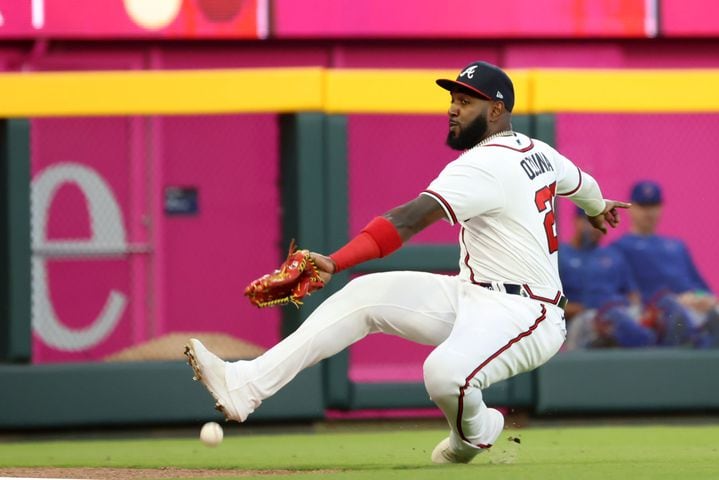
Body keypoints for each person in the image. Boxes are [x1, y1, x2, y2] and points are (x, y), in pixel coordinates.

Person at [185, 61, 629, 464]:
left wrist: (335, 262)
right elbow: (582, 183)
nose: (453, 110)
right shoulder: (538, 151)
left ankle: (471, 436)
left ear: (496, 110)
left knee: (444, 374)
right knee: (364, 297)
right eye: (452, 100)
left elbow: (408, 219)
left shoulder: (484, 166)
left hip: (528, 313)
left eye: (465, 101)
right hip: (472, 293)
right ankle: (245, 385)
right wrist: (597, 206)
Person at [612, 180, 719, 347]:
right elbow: (627, 295)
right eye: (643, 205)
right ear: (630, 208)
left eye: (654, 205)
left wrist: (700, 299)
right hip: (659, 314)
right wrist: (678, 301)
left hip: (693, 309)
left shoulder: (677, 246)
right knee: (675, 313)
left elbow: (700, 289)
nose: (649, 212)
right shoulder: (620, 248)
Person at [559, 207, 655, 349]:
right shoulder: (560, 255)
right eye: (590, 221)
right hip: (582, 319)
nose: (595, 227)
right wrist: (579, 309)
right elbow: (548, 302)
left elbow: (633, 295)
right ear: (576, 221)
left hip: (618, 314)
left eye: (600, 221)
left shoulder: (613, 255)